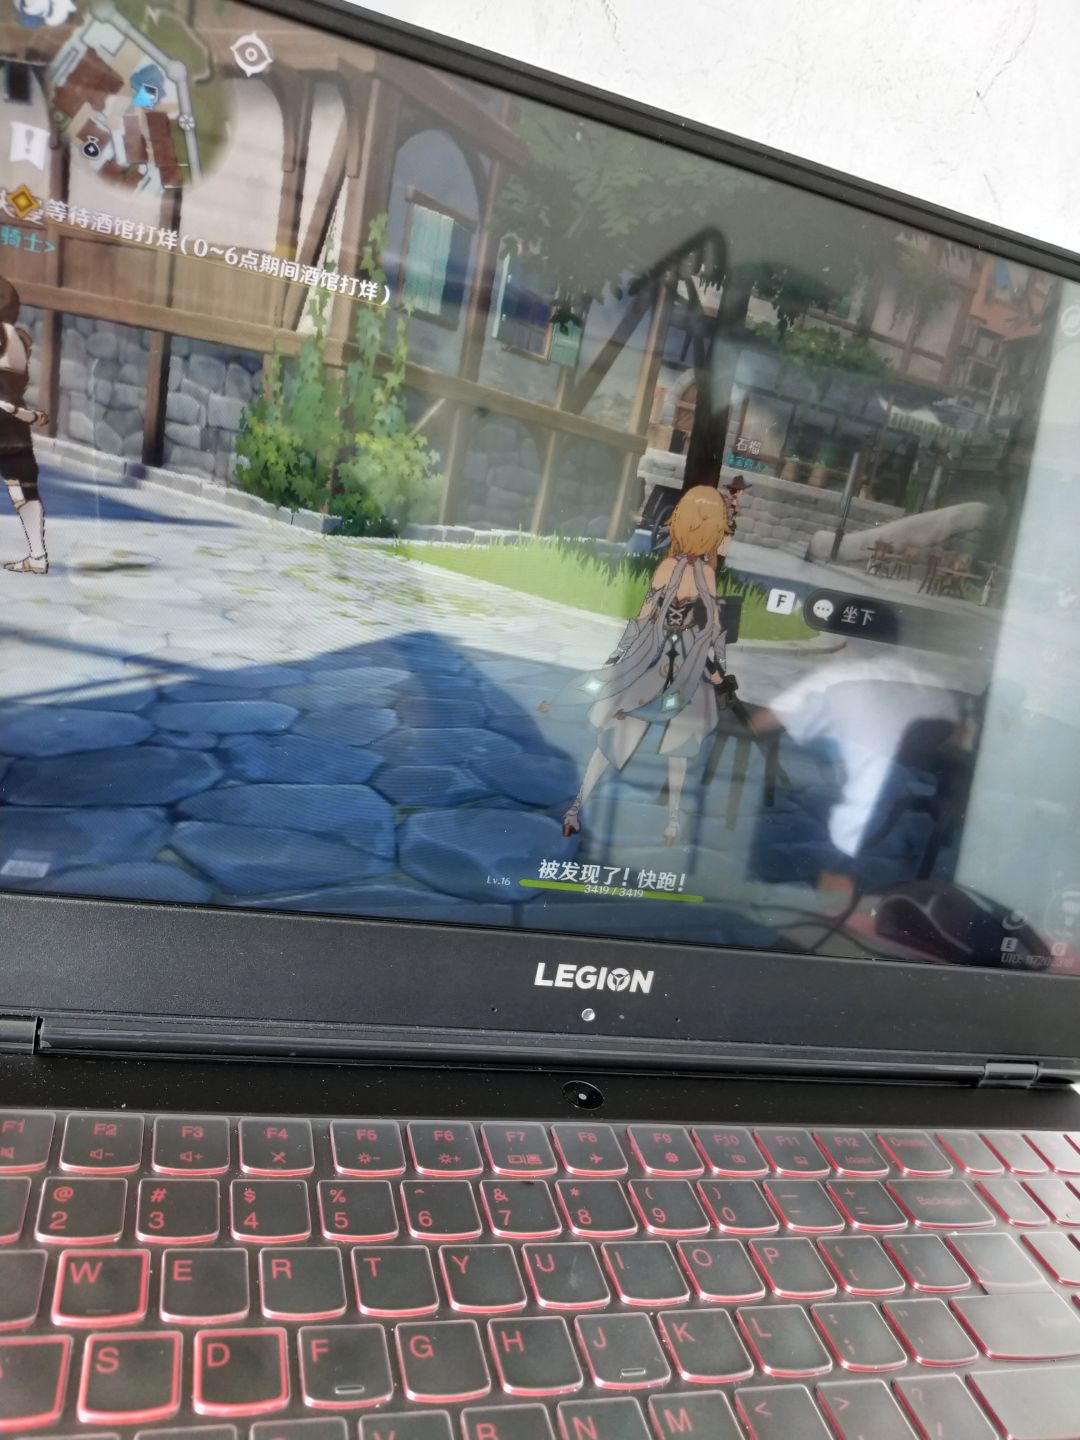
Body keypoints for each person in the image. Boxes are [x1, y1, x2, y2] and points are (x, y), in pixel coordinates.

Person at [548, 485, 737, 844]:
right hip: (672, 661)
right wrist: (719, 671)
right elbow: (705, 629)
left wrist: (620, 655)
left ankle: (579, 809)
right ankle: (665, 821)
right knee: (652, 740)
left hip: (670, 660)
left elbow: (660, 618)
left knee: (649, 737)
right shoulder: (698, 573)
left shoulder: (673, 567)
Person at [0, 278, 49, 575]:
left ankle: (38, 557)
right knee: (24, 489)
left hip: (6, 417)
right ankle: (38, 556)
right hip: (15, 425)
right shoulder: (19, 337)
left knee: (23, 489)